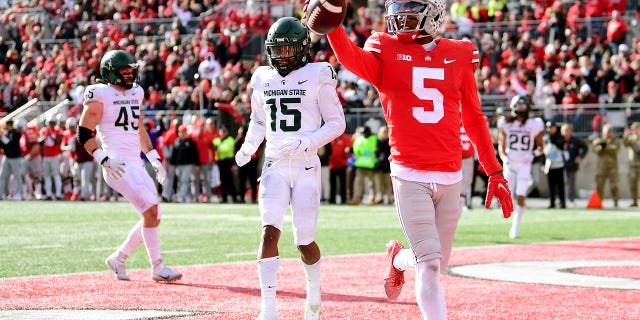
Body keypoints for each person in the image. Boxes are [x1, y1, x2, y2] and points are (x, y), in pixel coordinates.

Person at [324, 1, 514, 318]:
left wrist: (494, 171)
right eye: (397, 8)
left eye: (410, 8)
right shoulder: (383, 47)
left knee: (436, 263)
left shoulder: (461, 52)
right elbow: (350, 57)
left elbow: (475, 119)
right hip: (409, 172)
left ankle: (397, 258)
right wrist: (333, 26)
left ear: (435, 13)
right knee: (429, 265)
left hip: (451, 173)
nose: (400, 16)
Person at [234, 17, 345, 320]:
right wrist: (247, 148)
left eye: (288, 50)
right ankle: (268, 309)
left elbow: (337, 123)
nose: (282, 57)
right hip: (274, 164)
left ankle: (314, 293)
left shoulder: (317, 74)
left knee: (304, 240)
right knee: (269, 231)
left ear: (303, 48)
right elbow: (258, 122)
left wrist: (307, 142)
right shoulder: (262, 78)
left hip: (306, 164)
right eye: (277, 51)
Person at [77, 49, 182, 282]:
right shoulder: (100, 93)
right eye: (124, 71)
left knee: (154, 215)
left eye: (131, 70)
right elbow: (83, 133)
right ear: (110, 73)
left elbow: (138, 128)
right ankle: (157, 267)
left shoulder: (136, 92)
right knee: (150, 211)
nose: (129, 75)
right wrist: (103, 158)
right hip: (117, 164)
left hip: (135, 162)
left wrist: (153, 157)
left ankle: (118, 258)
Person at [497, 95, 544, 238]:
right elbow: (501, 144)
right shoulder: (506, 122)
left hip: (524, 163)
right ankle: (507, 211)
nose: (521, 108)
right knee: (507, 194)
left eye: (523, 105)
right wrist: (505, 158)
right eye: (519, 105)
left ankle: (515, 228)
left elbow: (541, 147)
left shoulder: (534, 124)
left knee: (521, 194)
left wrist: (532, 155)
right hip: (510, 163)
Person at [592, 124, 621, 208]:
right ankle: (599, 202)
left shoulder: (615, 140)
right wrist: (601, 147)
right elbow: (595, 149)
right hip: (601, 167)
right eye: (607, 131)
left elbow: (616, 149)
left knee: (614, 186)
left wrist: (606, 146)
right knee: (599, 186)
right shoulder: (598, 140)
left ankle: (616, 202)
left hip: (613, 167)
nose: (608, 133)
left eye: (610, 131)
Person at [561, 123, 588, 207]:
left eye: (568, 130)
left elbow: (585, 147)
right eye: (565, 130)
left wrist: (580, 157)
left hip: (572, 164)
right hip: (560, 164)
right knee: (561, 182)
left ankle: (571, 198)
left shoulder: (575, 140)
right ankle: (561, 199)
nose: (566, 132)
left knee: (571, 182)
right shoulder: (559, 140)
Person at [543, 121, 566, 209]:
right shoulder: (546, 138)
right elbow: (543, 152)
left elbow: (561, 146)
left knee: (560, 185)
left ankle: (562, 202)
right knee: (551, 185)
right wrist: (543, 164)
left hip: (559, 164)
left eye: (552, 127)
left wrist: (553, 140)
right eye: (549, 128)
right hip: (549, 165)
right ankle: (552, 202)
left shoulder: (560, 137)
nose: (550, 129)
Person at [0, 120, 24, 200]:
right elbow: (3, 145)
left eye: (7, 125)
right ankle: (1, 194)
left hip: (15, 158)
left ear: (10, 125)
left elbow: (11, 143)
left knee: (17, 176)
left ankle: (20, 194)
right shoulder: (6, 134)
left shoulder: (16, 133)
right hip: (6, 157)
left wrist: (2, 138)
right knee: (2, 176)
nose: (6, 127)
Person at [623, 122, 640, 207]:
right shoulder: (631, 138)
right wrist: (625, 135)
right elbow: (625, 143)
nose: (636, 130)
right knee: (633, 184)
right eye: (634, 129)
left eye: (637, 128)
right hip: (633, 164)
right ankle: (634, 201)